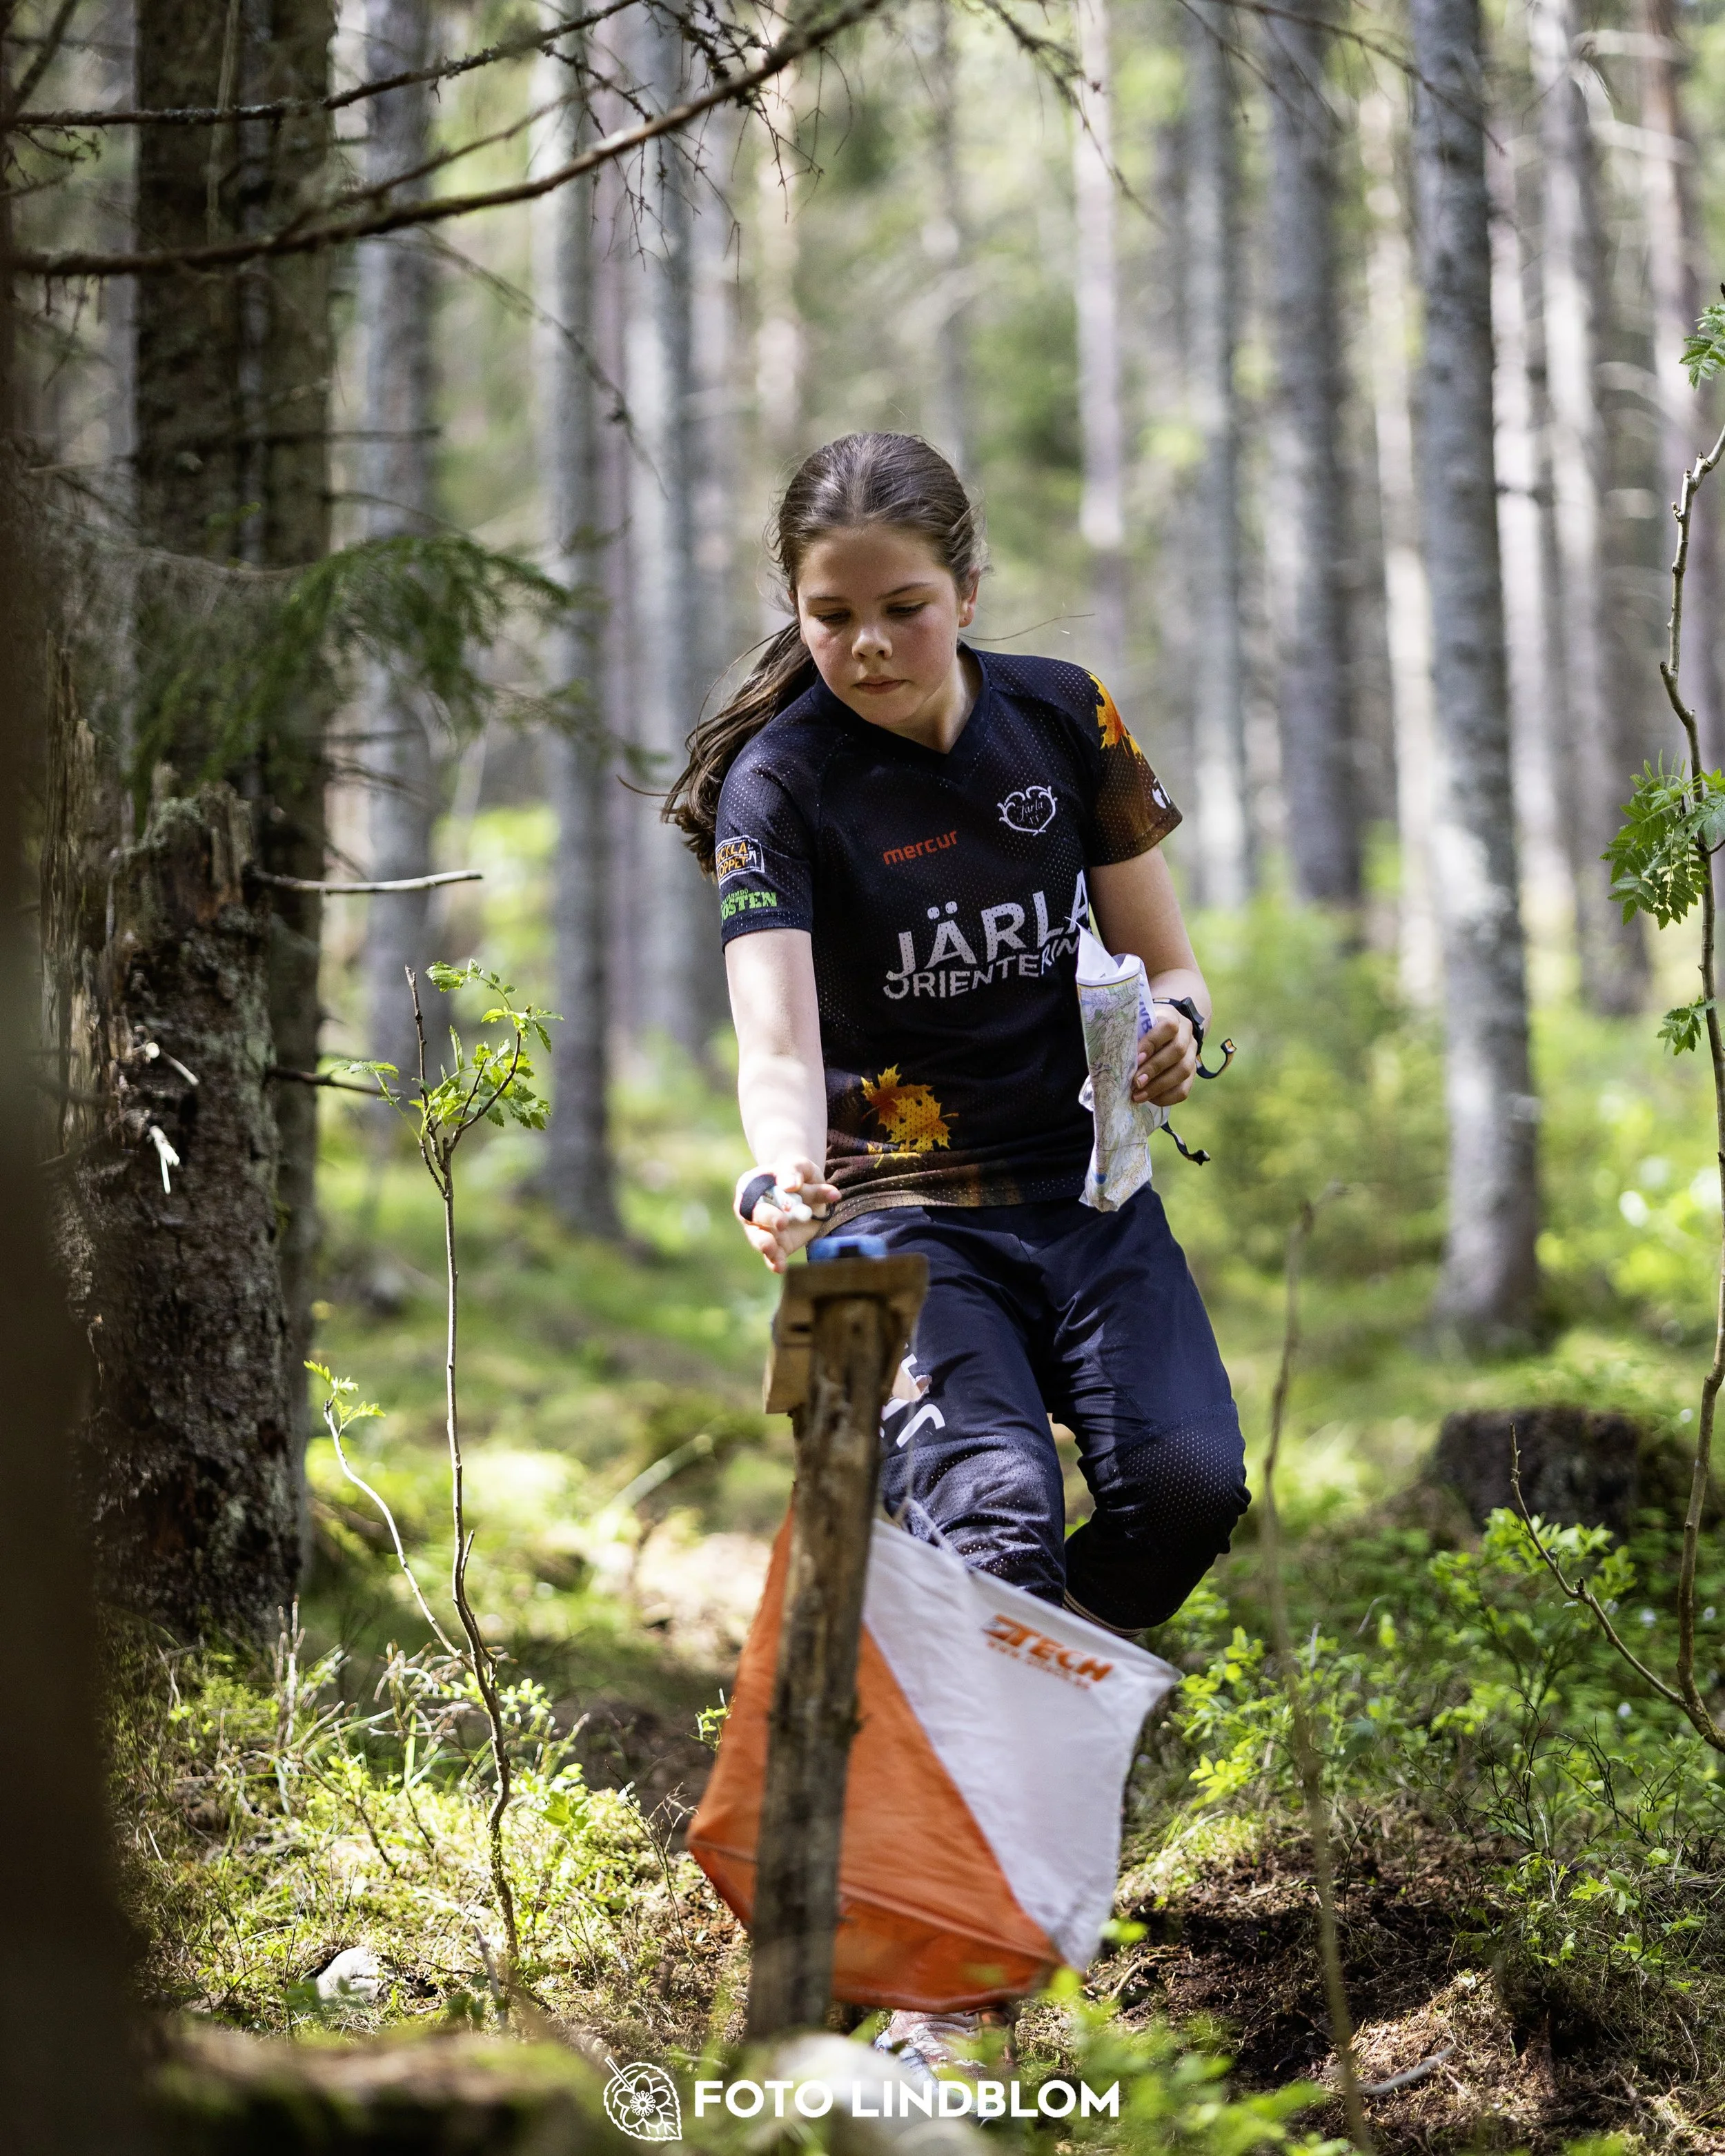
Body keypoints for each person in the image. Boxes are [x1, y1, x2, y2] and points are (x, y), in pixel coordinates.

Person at [666, 431, 1248, 2074]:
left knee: (1189, 1485)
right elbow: (773, 1043)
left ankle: (999, 1736)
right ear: (796, 609)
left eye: (900, 608)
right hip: (888, 1212)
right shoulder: (774, 784)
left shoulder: (1061, 712)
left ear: (966, 592)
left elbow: (1169, 959)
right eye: (828, 611)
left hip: (1082, 1194)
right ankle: (946, 1974)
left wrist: (1180, 1028)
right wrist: (774, 1173)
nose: (863, 644)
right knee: (991, 1515)